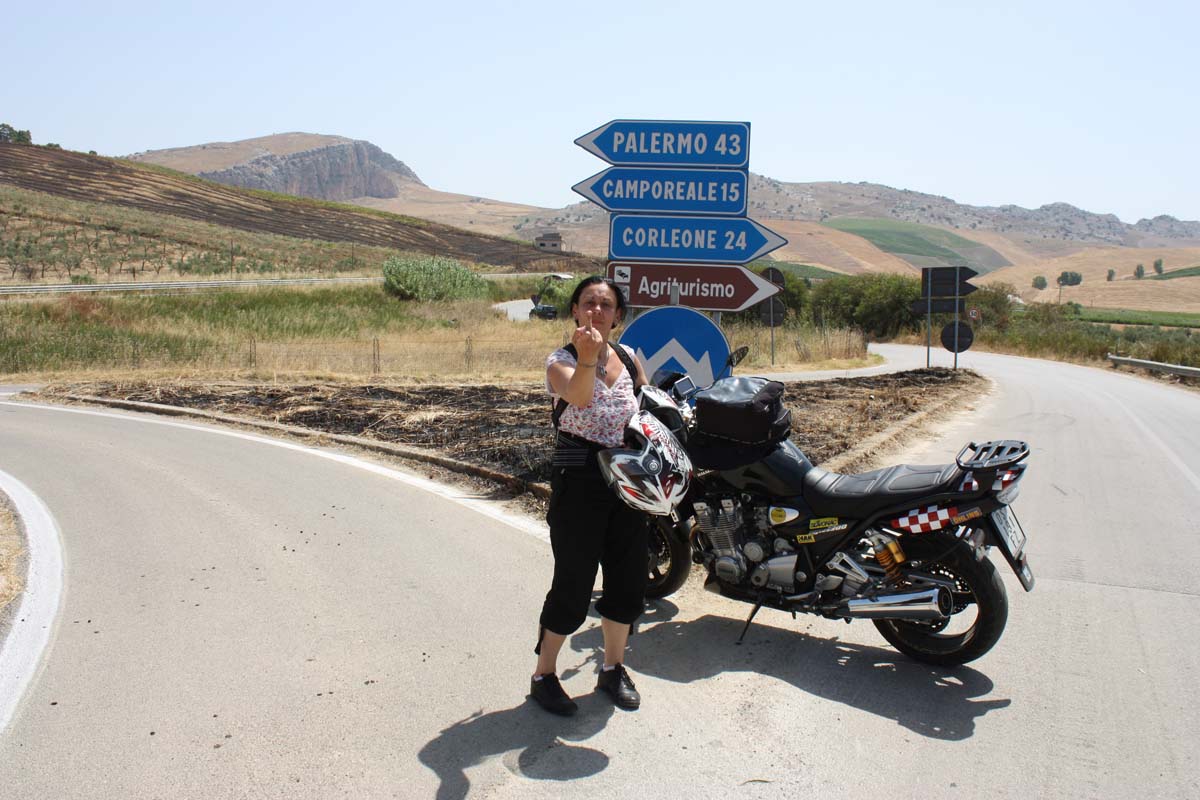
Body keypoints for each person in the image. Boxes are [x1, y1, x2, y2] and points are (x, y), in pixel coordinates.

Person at [530, 275, 649, 716]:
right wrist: (586, 358)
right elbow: (579, 399)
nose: (597, 310)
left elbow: (646, 405)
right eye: (588, 303)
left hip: (627, 482)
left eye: (606, 304)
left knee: (628, 579)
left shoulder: (629, 357)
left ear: (618, 316)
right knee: (574, 583)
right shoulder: (560, 361)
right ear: (575, 312)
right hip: (579, 479)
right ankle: (544, 674)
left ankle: (613, 669)